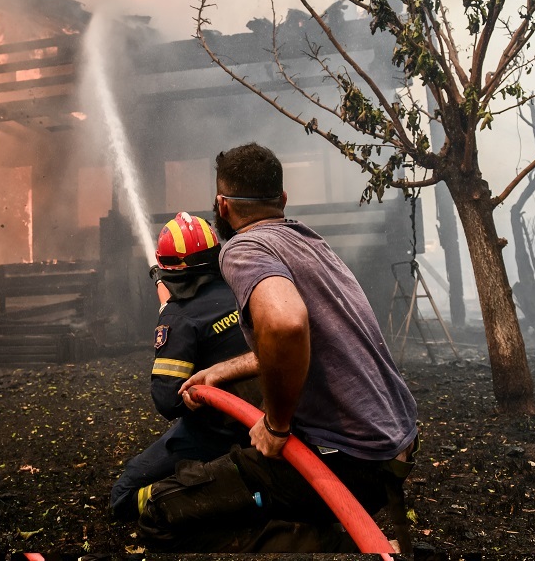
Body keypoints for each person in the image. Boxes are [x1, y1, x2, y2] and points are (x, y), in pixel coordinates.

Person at [136, 143, 420, 553]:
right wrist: (222, 371)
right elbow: (306, 340)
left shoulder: (244, 249)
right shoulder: (307, 240)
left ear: (222, 206)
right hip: (395, 446)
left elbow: (286, 327)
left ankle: (322, 543)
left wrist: (276, 425)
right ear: (283, 200)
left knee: (160, 514)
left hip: (350, 462)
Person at [110, 212, 260, 521]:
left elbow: (168, 401)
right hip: (267, 424)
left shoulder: (180, 317)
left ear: (170, 270)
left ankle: (214, 501)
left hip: (215, 433)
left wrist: (167, 312)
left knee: (123, 495)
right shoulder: (244, 288)